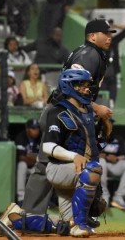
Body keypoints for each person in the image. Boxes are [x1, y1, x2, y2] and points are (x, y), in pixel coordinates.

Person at [0, 19, 115, 236]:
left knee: (74, 158)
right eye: (105, 33)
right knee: (47, 164)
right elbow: (74, 85)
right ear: (92, 36)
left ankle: (72, 215)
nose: (109, 36)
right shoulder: (89, 54)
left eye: (110, 33)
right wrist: (96, 108)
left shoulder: (92, 53)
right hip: (63, 110)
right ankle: (22, 216)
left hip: (73, 110)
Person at [42, 69, 102, 237]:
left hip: (76, 171)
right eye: (81, 85)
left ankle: (17, 218)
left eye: (87, 85)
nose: (86, 89)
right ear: (69, 87)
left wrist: (105, 132)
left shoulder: (87, 112)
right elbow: (47, 146)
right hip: (59, 168)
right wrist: (73, 156)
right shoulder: (56, 111)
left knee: (66, 225)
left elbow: (94, 146)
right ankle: (81, 224)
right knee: (93, 170)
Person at [99, 132, 125, 210]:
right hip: (101, 165)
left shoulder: (118, 139)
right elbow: (89, 153)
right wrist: (99, 155)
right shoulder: (97, 138)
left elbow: (124, 155)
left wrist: (116, 158)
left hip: (114, 165)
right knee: (101, 160)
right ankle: (104, 196)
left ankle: (119, 197)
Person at [100, 20, 125, 107]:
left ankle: (110, 113)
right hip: (102, 76)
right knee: (103, 98)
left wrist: (116, 26)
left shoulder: (114, 41)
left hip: (112, 75)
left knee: (112, 97)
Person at [15, 119, 41, 205]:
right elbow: (21, 157)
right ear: (27, 129)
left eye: (37, 128)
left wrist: (30, 156)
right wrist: (34, 158)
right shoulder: (20, 137)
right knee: (22, 165)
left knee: (42, 167)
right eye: (33, 128)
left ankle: (37, 199)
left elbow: (42, 158)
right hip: (25, 166)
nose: (36, 131)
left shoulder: (40, 138)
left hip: (34, 166)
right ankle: (21, 198)